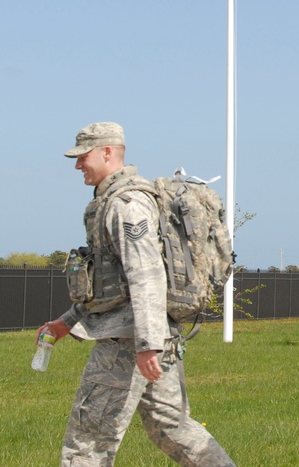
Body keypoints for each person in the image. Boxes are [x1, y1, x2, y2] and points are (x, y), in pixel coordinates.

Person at [37, 122, 235, 467]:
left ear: (107, 152)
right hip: (151, 335)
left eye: (83, 156)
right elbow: (111, 284)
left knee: (87, 440)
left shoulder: (126, 205)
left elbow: (146, 277)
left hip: (128, 342)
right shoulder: (113, 202)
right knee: (171, 427)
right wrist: (66, 323)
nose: (77, 165)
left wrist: (147, 345)